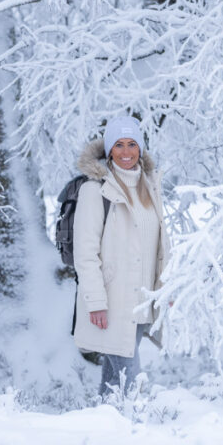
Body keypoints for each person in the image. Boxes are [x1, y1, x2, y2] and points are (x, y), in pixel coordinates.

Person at [72, 116, 169, 395]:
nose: (126, 153)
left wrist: (165, 290)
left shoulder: (150, 189)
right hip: (112, 302)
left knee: (116, 375)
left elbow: (160, 247)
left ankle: (107, 421)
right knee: (131, 377)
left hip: (142, 301)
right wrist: (96, 302)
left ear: (140, 148)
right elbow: (86, 254)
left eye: (131, 144)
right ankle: (136, 425)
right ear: (109, 150)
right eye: (118, 145)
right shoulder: (95, 190)